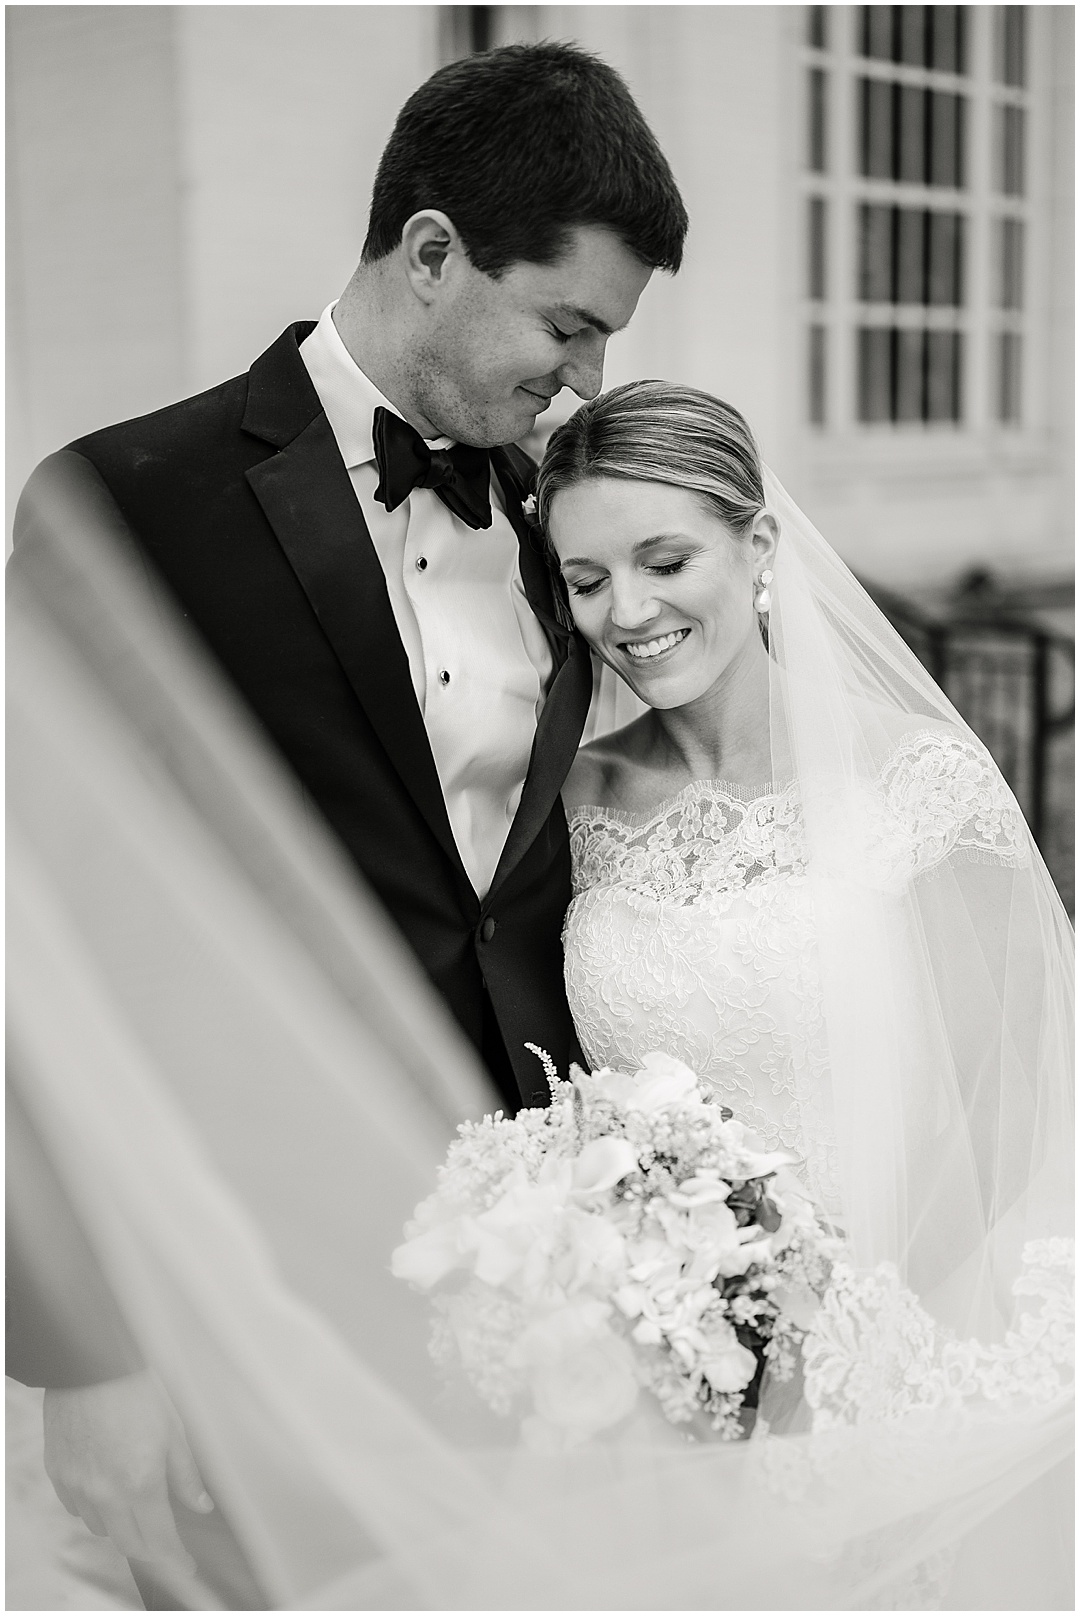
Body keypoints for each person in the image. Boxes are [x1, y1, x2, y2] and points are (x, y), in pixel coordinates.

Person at [10, 382, 1072, 1610]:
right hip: (639, 1418)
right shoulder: (575, 804)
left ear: (761, 543)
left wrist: (816, 1369)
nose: (630, 612)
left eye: (665, 558)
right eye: (584, 578)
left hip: (885, 1381)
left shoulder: (920, 785)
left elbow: (1009, 1121)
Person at [10, 41, 686, 1602]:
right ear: (433, 252)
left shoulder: (572, 517)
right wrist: (84, 1357)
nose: (585, 382)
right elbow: (41, 953)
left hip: (547, 1306)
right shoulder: (120, 503)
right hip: (253, 1297)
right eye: (566, 326)